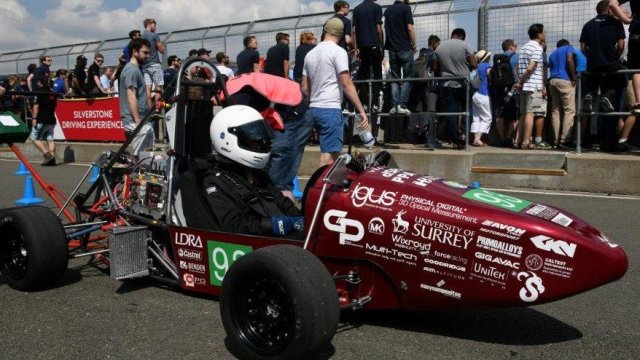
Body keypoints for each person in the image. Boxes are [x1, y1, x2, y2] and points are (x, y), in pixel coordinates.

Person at [203, 105, 304, 237]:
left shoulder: (257, 174)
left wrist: (303, 221)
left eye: (264, 141)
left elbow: (286, 206)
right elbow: (235, 227)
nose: (262, 145)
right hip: (255, 249)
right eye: (255, 142)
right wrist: (276, 226)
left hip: (281, 245)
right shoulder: (214, 182)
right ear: (226, 139)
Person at [302, 17, 369, 166]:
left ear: (325, 31)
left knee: (334, 155)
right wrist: (361, 110)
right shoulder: (338, 52)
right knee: (329, 157)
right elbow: (346, 83)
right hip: (330, 108)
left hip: (313, 108)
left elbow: (305, 88)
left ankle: (332, 187)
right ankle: (320, 188)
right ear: (340, 34)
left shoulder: (310, 54)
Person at [580, 0, 627, 152]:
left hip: (593, 65)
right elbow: (621, 45)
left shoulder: (587, 24)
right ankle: (608, 95)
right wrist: (614, 57)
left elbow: (583, 48)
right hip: (611, 65)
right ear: (608, 9)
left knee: (592, 80)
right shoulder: (615, 23)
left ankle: (588, 95)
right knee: (619, 86)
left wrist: (592, 57)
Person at [434, 28, 476, 148]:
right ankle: (464, 134)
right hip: (463, 83)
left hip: (447, 84)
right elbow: (473, 64)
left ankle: (455, 140)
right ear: (462, 36)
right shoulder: (465, 45)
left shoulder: (440, 47)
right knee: (467, 110)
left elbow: (435, 66)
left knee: (451, 113)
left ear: (452, 35)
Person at [119, 37, 153, 157]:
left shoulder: (136, 70)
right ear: (135, 52)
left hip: (141, 120)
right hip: (134, 121)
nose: (147, 55)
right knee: (141, 159)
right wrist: (138, 121)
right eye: (145, 52)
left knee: (147, 157)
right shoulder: (131, 71)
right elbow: (131, 96)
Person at [513, 23, 546, 149]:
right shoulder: (538, 48)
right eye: (544, 32)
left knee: (524, 113)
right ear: (539, 34)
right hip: (534, 86)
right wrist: (521, 81)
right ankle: (526, 142)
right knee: (531, 113)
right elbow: (531, 67)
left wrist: (520, 81)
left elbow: (517, 67)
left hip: (525, 86)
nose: (545, 35)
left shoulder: (523, 48)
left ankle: (517, 141)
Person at [384, 0, 416, 115]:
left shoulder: (387, 10)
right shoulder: (406, 8)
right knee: (408, 77)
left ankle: (394, 105)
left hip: (392, 49)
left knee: (395, 77)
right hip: (405, 47)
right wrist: (414, 44)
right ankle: (402, 104)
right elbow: (409, 28)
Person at [608, 1, 640, 113]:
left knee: (637, 69)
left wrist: (627, 19)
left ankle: (639, 101)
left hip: (637, 33)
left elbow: (612, 4)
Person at [352, 0, 384, 110]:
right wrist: (381, 45)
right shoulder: (377, 7)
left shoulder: (357, 9)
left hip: (362, 46)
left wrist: (356, 48)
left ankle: (364, 103)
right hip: (374, 44)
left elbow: (354, 31)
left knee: (363, 74)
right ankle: (375, 103)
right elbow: (378, 29)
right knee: (377, 74)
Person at [548, 39, 577, 149]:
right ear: (567, 44)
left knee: (555, 111)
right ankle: (565, 139)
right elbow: (570, 60)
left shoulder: (552, 54)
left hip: (552, 81)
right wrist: (573, 77)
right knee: (569, 110)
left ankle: (555, 140)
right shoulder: (569, 48)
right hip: (565, 80)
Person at [492, 39, 519, 147]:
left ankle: (502, 139)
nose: (516, 48)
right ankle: (508, 138)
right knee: (514, 116)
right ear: (511, 47)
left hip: (499, 89)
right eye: (515, 46)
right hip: (513, 90)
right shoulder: (516, 57)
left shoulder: (497, 58)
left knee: (500, 114)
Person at [30, 64, 57, 166]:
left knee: (34, 138)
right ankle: (53, 159)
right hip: (51, 118)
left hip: (41, 118)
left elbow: (36, 105)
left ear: (40, 82)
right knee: (50, 138)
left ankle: (47, 155)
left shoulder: (39, 91)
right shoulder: (52, 92)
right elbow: (55, 105)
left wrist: (34, 118)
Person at [470, 50, 493, 147]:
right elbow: (491, 76)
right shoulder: (487, 66)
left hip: (475, 95)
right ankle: (477, 139)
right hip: (484, 93)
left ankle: (474, 139)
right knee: (487, 118)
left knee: (476, 118)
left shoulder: (476, 67)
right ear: (486, 58)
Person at [141, 18, 165, 108]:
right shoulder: (154, 35)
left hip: (145, 65)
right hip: (154, 63)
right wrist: (161, 46)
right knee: (159, 87)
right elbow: (161, 50)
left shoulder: (141, 36)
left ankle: (150, 110)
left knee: (148, 88)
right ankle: (157, 110)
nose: (155, 27)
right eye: (154, 24)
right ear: (149, 24)